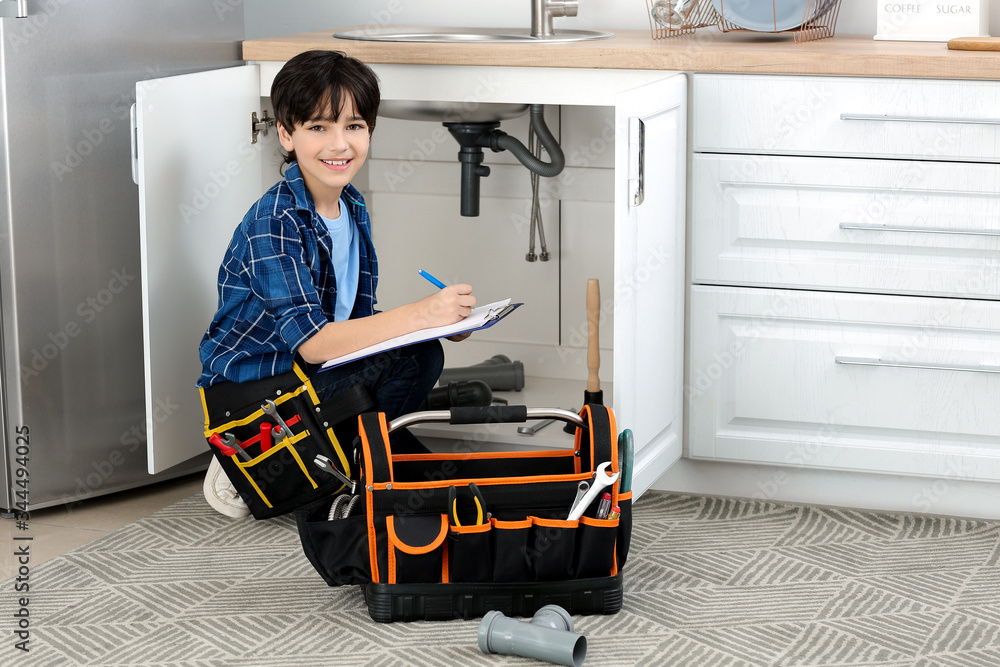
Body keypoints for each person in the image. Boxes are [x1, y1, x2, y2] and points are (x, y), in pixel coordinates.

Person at [196, 50, 475, 517]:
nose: (339, 144)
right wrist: (420, 317)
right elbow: (314, 345)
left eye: (354, 126)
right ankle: (241, 465)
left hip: (314, 379)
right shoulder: (275, 222)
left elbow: (357, 327)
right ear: (286, 133)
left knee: (442, 475)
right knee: (415, 357)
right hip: (257, 399)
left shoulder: (353, 207)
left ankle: (353, 468)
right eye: (318, 127)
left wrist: (436, 322)